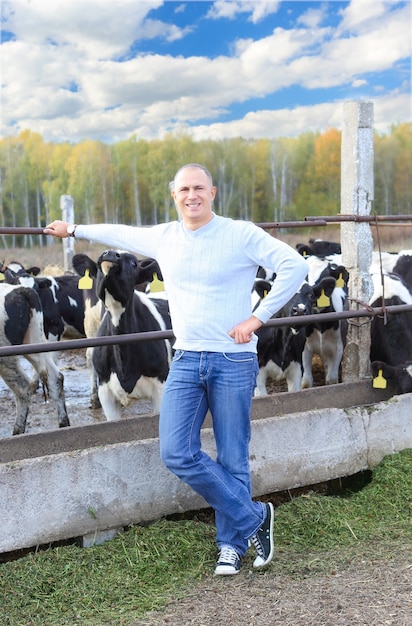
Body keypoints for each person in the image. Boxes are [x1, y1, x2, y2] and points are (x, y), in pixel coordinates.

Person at [44, 163, 308, 576]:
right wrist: (74, 229)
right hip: (184, 359)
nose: (192, 195)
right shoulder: (165, 237)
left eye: (199, 188)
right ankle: (256, 518)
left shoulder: (240, 234)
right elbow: (120, 233)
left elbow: (296, 267)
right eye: (184, 189)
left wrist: (258, 318)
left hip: (233, 358)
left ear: (213, 192)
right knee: (176, 452)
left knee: (233, 456)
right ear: (174, 195)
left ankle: (230, 546)